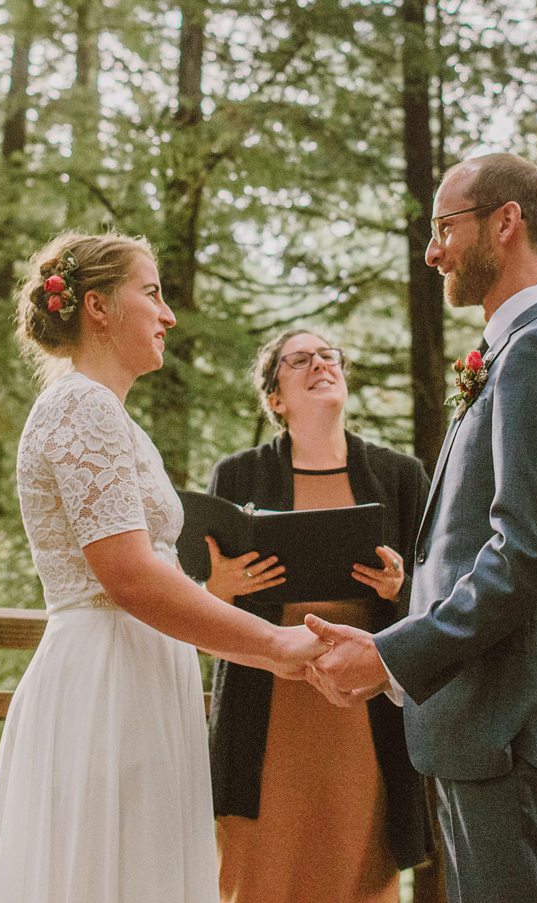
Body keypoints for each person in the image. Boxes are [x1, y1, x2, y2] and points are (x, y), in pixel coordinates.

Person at [0, 232, 328, 903]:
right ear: (99, 307)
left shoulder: (108, 414)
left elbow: (133, 565)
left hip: (135, 669)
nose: (168, 315)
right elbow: (128, 577)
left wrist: (203, 592)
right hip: (106, 684)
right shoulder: (83, 405)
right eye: (153, 292)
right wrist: (275, 646)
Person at [304, 154, 537, 903]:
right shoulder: (512, 351)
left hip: (517, 727)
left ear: (504, 222)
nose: (432, 250)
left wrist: (390, 654)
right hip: (486, 726)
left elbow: (526, 558)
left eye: (444, 227)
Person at [202, 329, 431, 903]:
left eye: (329, 356)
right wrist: (219, 585)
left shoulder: (401, 476)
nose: (319, 364)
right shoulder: (238, 477)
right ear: (274, 398)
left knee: (361, 876)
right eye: (298, 360)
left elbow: (441, 598)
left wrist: (401, 588)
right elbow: (200, 603)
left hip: (361, 711)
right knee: (258, 878)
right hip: (266, 707)